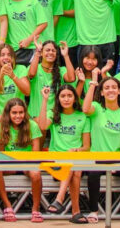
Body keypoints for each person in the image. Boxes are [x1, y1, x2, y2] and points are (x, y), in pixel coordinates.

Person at [82, 69, 120, 224]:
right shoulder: (97, 108)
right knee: (93, 175)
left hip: (118, 159)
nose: (111, 90)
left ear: (119, 91)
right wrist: (93, 83)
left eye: (114, 87)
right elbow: (85, 108)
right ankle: (93, 210)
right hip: (97, 158)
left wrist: (117, 161)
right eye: (107, 88)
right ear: (101, 92)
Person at [36, 84, 88, 222]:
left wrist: (76, 150)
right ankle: (75, 212)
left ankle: (60, 199)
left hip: (75, 159)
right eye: (63, 96)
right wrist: (45, 100)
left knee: (74, 166)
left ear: (75, 98)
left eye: (69, 96)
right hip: (55, 161)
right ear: (58, 99)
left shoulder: (82, 116)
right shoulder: (53, 114)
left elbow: (86, 146)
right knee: (75, 170)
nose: (66, 99)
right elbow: (42, 126)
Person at [0, 98, 43, 222]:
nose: (18, 116)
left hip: (28, 163)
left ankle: (36, 209)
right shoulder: (1, 127)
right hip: (10, 164)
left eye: (21, 112)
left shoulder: (33, 126)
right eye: (14, 113)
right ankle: (7, 206)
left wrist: (27, 164)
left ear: (25, 113)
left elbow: (36, 153)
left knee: (36, 173)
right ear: (8, 113)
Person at [4, 0, 48, 65]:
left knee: (32, 73)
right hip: (14, 48)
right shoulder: (4, 2)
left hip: (32, 47)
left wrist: (28, 40)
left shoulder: (33, 1)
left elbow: (43, 24)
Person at [0, 43, 30, 126]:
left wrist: (13, 76)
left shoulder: (20, 69)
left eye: (9, 55)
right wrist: (0, 76)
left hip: (19, 116)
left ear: (13, 57)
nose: (6, 57)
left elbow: (27, 92)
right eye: (2, 55)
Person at [27, 41, 74, 119]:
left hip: (54, 116)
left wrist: (66, 56)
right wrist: (37, 52)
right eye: (47, 50)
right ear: (41, 53)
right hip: (35, 116)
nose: (51, 52)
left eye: (53, 51)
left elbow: (71, 78)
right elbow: (31, 74)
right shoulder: (35, 68)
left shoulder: (61, 70)